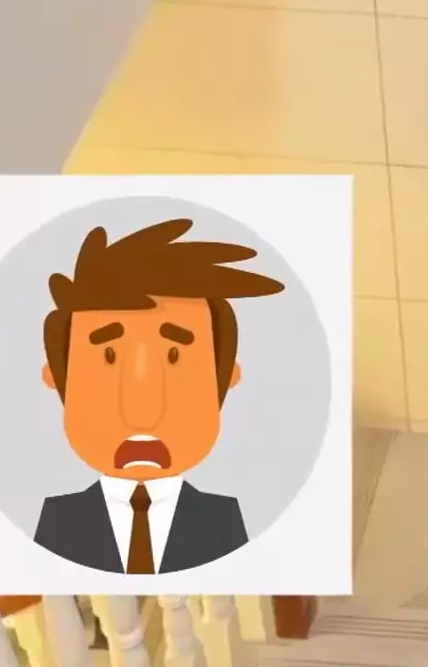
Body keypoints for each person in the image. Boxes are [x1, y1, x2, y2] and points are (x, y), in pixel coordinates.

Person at [33, 218, 279, 574]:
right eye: (108, 357)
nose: (142, 416)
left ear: (226, 378)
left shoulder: (230, 522)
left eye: (175, 357)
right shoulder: (53, 523)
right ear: (56, 379)